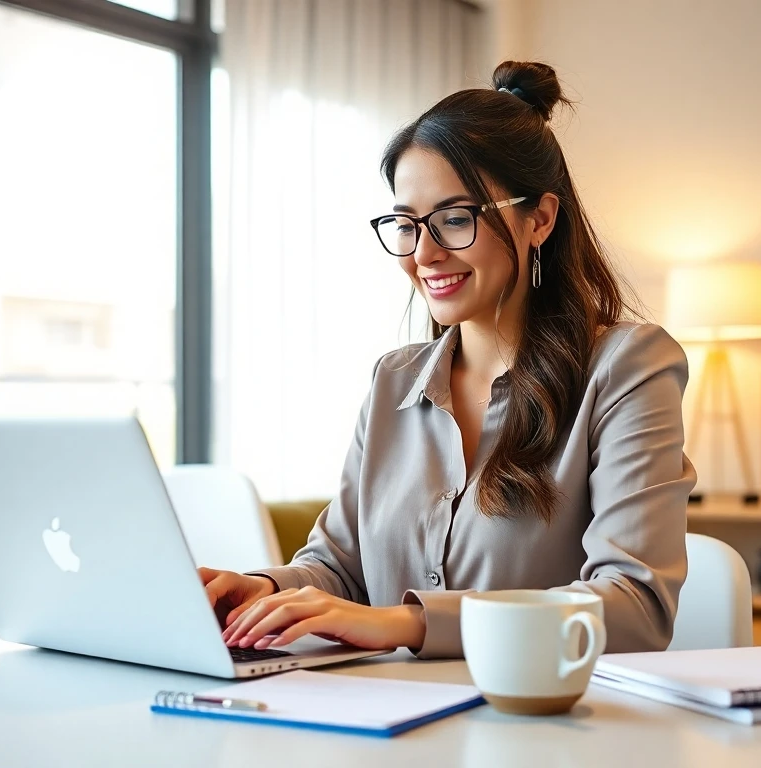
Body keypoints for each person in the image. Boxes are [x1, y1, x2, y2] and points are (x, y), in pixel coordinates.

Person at [201, 60, 696, 660]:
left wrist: (408, 624)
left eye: (456, 220)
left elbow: (636, 606)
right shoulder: (394, 380)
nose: (425, 254)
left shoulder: (626, 367)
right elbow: (339, 567)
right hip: (387, 729)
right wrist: (263, 590)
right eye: (406, 225)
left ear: (539, 218)